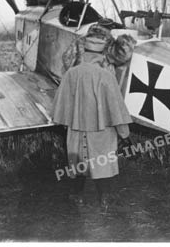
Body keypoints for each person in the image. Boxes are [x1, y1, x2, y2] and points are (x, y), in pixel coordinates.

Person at [52, 22, 136, 209]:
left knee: (78, 162)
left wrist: (68, 125)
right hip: (102, 131)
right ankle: (104, 198)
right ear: (103, 53)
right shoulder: (106, 76)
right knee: (103, 162)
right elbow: (117, 110)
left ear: (85, 51)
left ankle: (77, 197)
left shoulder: (71, 74)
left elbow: (60, 109)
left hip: (76, 129)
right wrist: (125, 135)